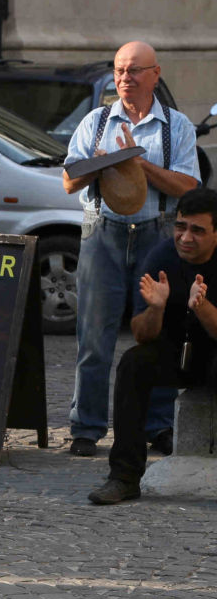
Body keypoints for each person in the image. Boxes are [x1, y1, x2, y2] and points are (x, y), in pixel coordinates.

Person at [63, 40, 200, 458]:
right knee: (94, 337)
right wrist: (103, 163)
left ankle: (158, 426)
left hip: (157, 235)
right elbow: (68, 181)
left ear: (155, 74)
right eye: (120, 70)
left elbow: (189, 187)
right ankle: (86, 428)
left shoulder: (176, 126)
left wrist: (138, 163)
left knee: (159, 332)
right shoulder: (96, 121)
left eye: (135, 70)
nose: (125, 78)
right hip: (103, 233)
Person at [87, 189, 217, 504]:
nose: (185, 237)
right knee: (134, 362)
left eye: (197, 230)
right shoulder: (161, 257)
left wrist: (201, 306)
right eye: (180, 226)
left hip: (213, 353)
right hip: (174, 351)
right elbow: (141, 333)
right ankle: (124, 477)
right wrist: (156, 308)